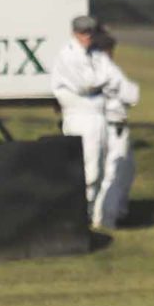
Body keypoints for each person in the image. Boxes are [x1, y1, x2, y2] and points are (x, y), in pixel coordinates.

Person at [50, 15, 116, 226]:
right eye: (83, 33)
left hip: (96, 115)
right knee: (88, 169)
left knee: (101, 167)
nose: (87, 37)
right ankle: (80, 215)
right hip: (79, 116)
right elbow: (86, 85)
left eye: (90, 32)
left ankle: (94, 215)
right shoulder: (68, 56)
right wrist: (101, 81)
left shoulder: (94, 55)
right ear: (74, 33)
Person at [91, 30, 140, 230]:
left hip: (104, 126)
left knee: (123, 170)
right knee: (112, 175)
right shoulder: (108, 70)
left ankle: (112, 213)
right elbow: (132, 96)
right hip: (113, 127)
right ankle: (105, 220)